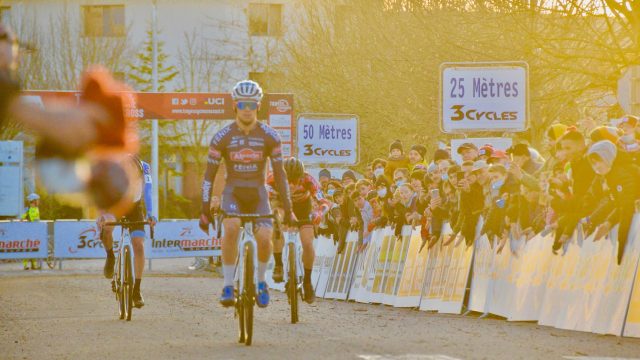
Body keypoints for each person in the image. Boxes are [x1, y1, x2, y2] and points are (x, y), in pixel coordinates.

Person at [199, 80, 294, 308]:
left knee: (264, 238)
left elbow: (280, 175)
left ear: (258, 106)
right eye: (243, 104)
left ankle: (261, 280)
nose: (248, 109)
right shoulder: (222, 137)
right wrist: (204, 210)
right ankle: (229, 284)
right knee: (231, 228)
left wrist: (289, 209)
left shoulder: (270, 136)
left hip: (258, 193)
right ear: (235, 106)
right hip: (233, 193)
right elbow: (208, 177)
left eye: (252, 104)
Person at [98, 154, 156, 309]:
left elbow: (148, 192)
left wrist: (150, 213)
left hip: (134, 208)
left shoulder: (144, 167)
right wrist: (102, 214)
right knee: (107, 227)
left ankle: (136, 290)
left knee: (139, 245)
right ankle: (110, 256)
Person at [268, 157, 324, 303]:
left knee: (307, 243)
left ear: (301, 176)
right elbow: (261, 198)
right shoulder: (272, 179)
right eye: (288, 180)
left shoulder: (308, 180)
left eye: (295, 180)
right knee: (276, 222)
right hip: (280, 205)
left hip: (302, 208)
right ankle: (278, 264)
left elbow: (323, 201)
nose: (292, 184)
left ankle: (307, 281)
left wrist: (319, 213)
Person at [21, 193, 41, 270]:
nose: (38, 202)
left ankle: (34, 265)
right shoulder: (28, 209)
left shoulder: (37, 209)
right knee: (28, 247)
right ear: (33, 201)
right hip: (29, 231)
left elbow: (38, 219)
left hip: (36, 231)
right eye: (37, 200)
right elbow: (21, 219)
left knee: (35, 247)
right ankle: (25, 265)